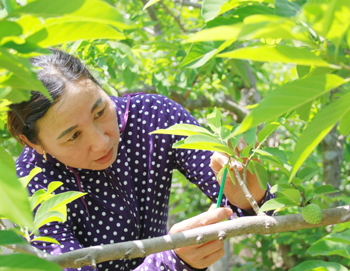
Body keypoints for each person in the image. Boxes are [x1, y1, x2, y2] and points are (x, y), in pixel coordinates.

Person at [8, 49, 274, 271]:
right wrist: (172, 260)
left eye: (100, 111)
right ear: (32, 142)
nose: (102, 142)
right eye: (73, 136)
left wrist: (248, 193)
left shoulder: (153, 118)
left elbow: (259, 211)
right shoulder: (30, 186)